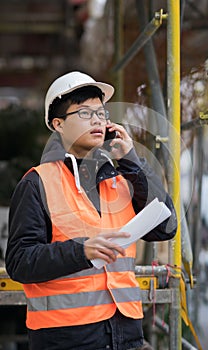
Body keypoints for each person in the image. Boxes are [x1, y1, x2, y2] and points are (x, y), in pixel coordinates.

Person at [6, 71, 177, 350]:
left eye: (101, 112)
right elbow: (19, 261)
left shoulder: (121, 178)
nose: (98, 119)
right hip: (67, 338)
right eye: (85, 113)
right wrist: (81, 251)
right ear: (58, 124)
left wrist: (132, 161)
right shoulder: (37, 183)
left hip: (125, 333)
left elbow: (165, 228)